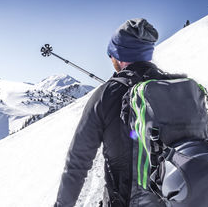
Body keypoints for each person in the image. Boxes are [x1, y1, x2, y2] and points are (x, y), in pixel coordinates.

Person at [54, 18, 165, 207]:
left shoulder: (106, 95)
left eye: (111, 55)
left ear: (118, 56)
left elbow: (77, 163)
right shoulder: (173, 88)